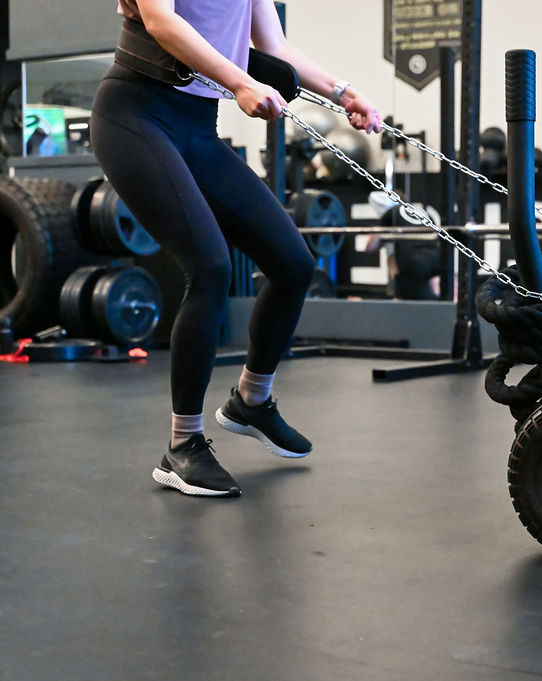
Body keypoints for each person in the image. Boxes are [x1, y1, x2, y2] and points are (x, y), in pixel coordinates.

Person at [91, 0, 383, 497]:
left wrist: (343, 92)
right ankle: (182, 445)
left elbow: (274, 46)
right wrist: (240, 81)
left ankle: (251, 400)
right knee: (210, 267)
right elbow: (162, 21)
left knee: (292, 264)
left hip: (198, 129)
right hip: (134, 117)